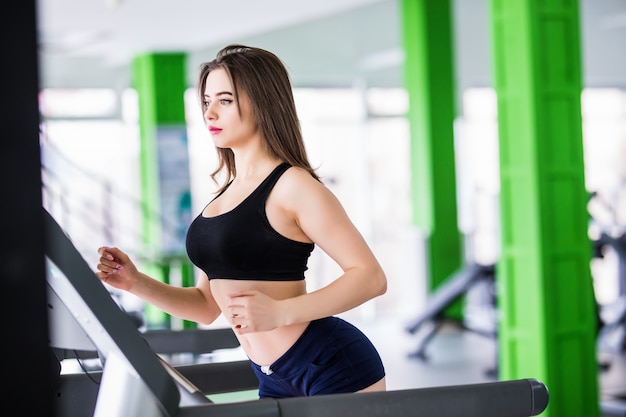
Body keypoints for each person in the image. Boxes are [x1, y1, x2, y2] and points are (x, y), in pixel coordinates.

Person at [96, 44, 387, 398]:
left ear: (263, 102)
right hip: (271, 377)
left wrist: (281, 312)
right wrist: (136, 283)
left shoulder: (293, 186)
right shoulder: (223, 194)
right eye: (205, 101)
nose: (210, 113)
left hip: (329, 366)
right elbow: (205, 306)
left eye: (225, 100)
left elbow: (369, 277)